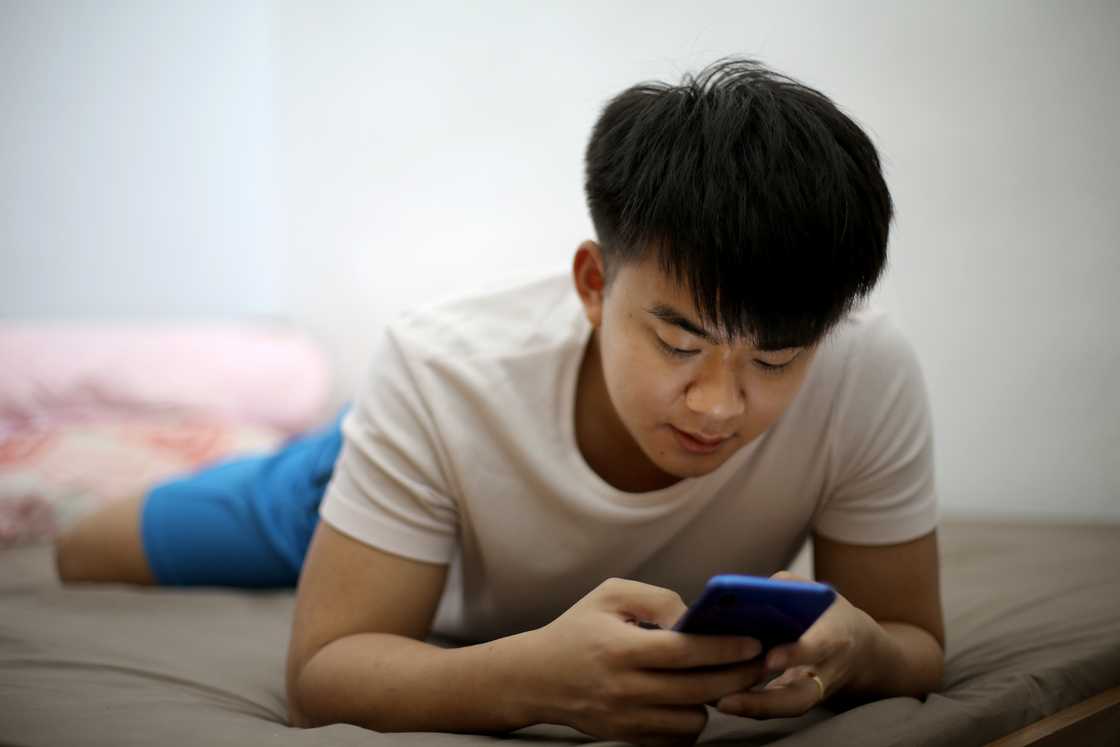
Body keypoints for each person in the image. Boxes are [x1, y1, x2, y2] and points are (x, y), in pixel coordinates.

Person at [54, 57, 944, 746]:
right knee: (83, 546)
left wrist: (859, 651)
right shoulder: (441, 374)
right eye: (679, 344)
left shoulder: (865, 371)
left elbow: (913, 640)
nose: (718, 404)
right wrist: (532, 682)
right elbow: (320, 675)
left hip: (437, 465)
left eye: (775, 359)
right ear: (593, 285)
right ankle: (272, 454)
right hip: (361, 482)